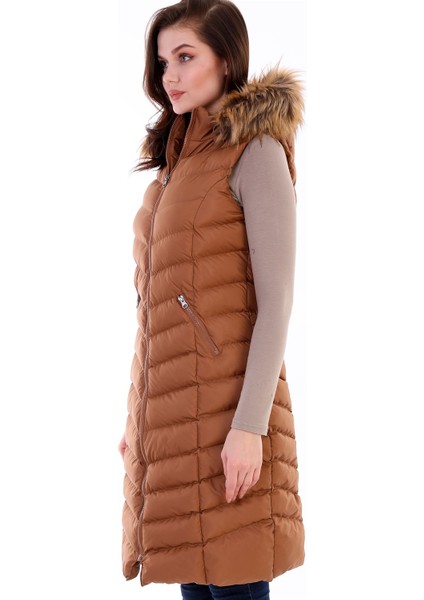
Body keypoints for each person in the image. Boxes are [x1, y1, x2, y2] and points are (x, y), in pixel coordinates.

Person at [118, 1, 305, 598]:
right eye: (162, 61)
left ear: (226, 59)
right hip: (180, 431)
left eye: (185, 56)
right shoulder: (174, 169)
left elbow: (276, 303)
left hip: (232, 427)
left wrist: (250, 428)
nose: (169, 75)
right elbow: (156, 313)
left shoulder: (256, 151)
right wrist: (138, 418)